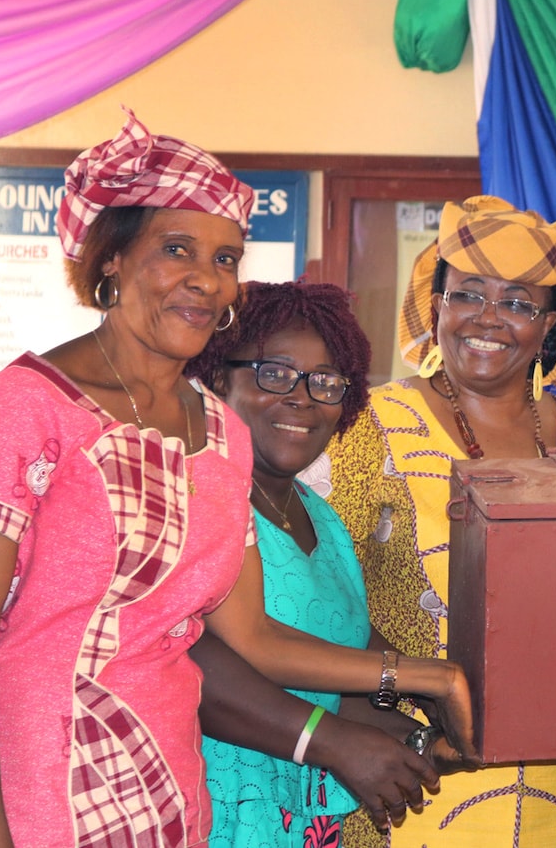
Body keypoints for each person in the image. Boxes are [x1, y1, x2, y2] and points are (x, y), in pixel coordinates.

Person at [0, 109, 473, 848]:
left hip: (171, 799)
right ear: (111, 259)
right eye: (176, 249)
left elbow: (250, 635)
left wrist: (429, 676)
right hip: (39, 797)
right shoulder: (18, 411)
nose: (206, 279)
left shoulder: (222, 435)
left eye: (226, 258)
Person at [323, 195, 556, 847]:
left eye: (518, 303)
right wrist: (408, 703)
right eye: (468, 294)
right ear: (436, 305)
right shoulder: (368, 426)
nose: (488, 318)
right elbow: (324, 597)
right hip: (413, 778)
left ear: (550, 324)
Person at [185, 280, 471, 846]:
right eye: (274, 373)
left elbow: (336, 677)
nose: (302, 398)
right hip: (214, 815)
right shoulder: (199, 493)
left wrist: (420, 741)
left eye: (325, 382)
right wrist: (419, 679)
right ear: (218, 378)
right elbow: (194, 663)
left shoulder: (322, 517)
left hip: (299, 826)